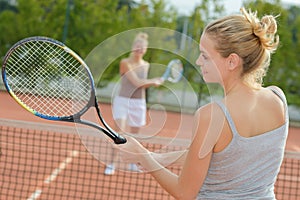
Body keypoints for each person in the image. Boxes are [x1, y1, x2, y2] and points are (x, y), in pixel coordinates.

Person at [117, 8, 289, 199]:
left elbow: (185, 192)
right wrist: (160, 158)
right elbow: (225, 155)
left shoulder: (211, 116)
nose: (198, 61)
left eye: (205, 56)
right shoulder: (277, 99)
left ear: (232, 61)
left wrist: (143, 157)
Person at [104, 32, 164, 175]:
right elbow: (137, 82)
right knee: (118, 133)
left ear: (146, 49)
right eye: (137, 46)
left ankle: (132, 162)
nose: (140, 49)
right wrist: (153, 81)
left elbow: (141, 84)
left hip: (139, 103)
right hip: (123, 101)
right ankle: (111, 164)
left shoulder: (146, 65)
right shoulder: (125, 63)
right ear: (133, 47)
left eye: (142, 47)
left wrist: (153, 82)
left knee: (135, 136)